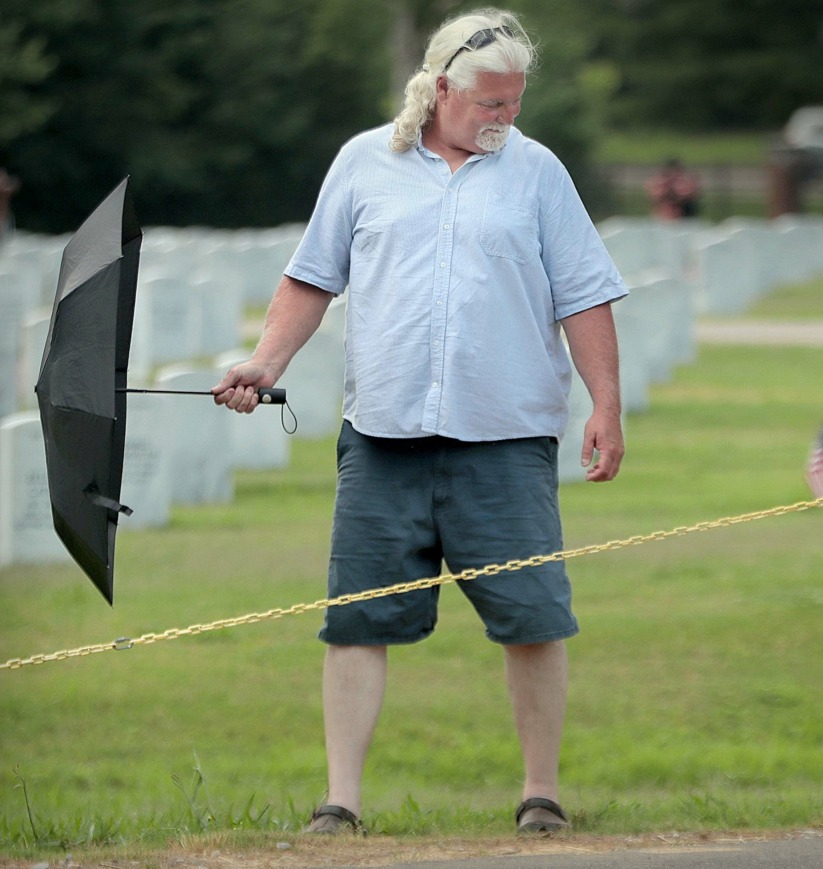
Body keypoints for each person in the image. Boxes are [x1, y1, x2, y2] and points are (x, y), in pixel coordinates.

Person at [212, 7, 627, 838]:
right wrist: (267, 361)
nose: (504, 120)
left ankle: (540, 794)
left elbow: (583, 292)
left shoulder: (538, 173)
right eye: (489, 105)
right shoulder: (364, 163)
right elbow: (310, 279)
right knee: (358, 616)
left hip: (504, 437)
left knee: (534, 615)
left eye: (514, 105)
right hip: (384, 434)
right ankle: (341, 802)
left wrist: (606, 402)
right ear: (442, 89)